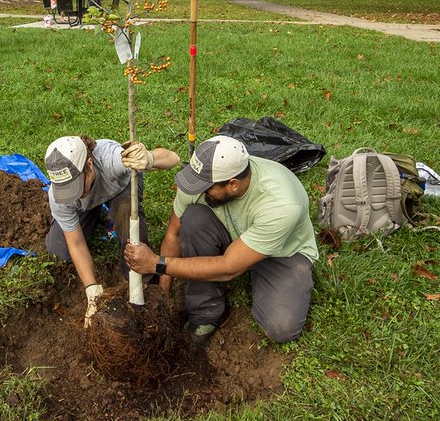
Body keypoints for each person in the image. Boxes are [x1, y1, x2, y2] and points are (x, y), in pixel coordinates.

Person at [124, 135, 317, 346]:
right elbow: (173, 234)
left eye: (206, 187)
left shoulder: (281, 204)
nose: (197, 189)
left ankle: (262, 276)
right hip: (233, 235)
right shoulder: (201, 179)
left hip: (282, 254)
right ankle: (206, 313)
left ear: (233, 184)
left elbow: (228, 267)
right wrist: (162, 293)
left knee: (281, 327)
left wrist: (156, 264)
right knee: (194, 219)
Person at [43, 135, 181, 325]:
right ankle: (96, 213)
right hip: (89, 203)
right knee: (58, 250)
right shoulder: (58, 198)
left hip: (120, 189)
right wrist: (92, 290)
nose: (72, 194)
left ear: (90, 165)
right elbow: (76, 244)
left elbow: (173, 158)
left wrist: (148, 157)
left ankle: (145, 282)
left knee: (125, 211)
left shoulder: (112, 160)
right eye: (65, 189)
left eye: (75, 186)